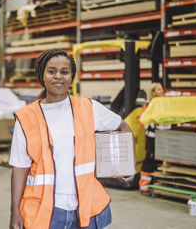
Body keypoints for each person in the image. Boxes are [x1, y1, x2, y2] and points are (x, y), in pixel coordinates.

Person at [9, 49, 132, 229]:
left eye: (64, 72)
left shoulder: (88, 108)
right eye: (52, 71)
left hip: (86, 206)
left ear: (72, 76)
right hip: (45, 210)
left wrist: (122, 165)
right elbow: (20, 168)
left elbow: (122, 126)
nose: (58, 76)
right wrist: (15, 211)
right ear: (41, 75)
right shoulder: (26, 117)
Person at [139, 82, 170, 193]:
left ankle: (157, 185)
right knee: (149, 161)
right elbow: (142, 121)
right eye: (158, 89)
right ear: (153, 92)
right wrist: (153, 125)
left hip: (164, 137)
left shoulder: (166, 104)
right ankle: (144, 186)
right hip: (152, 138)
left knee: (161, 161)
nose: (162, 91)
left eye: (161, 88)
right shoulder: (149, 105)